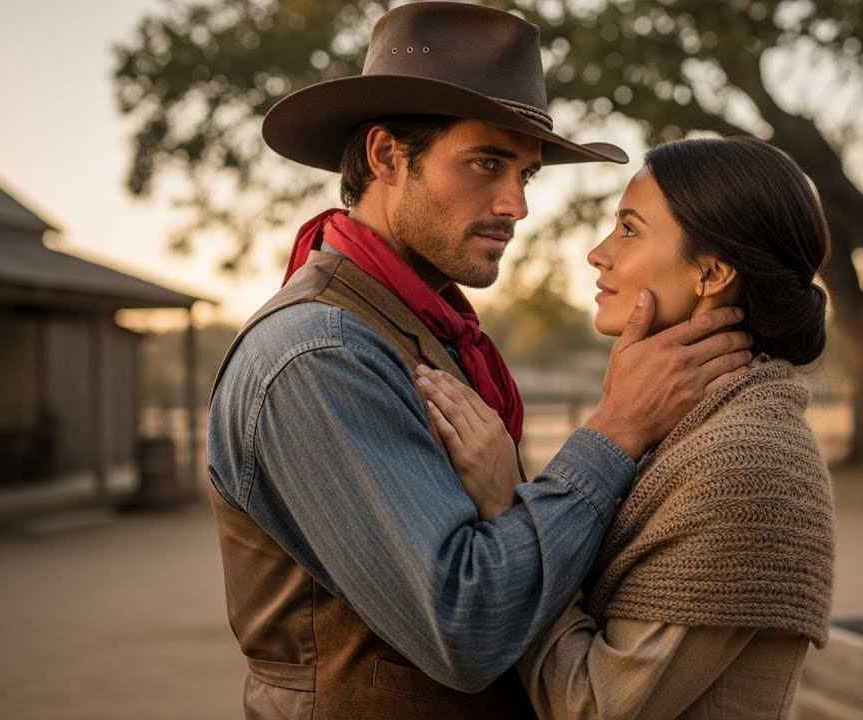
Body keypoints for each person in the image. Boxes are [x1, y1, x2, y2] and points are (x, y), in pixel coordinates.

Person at [205, 3, 754, 719]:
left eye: (526, 174)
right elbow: (466, 627)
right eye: (486, 163)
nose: (516, 204)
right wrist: (615, 430)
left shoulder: (426, 328)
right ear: (385, 157)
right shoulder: (318, 356)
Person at [419, 134, 836, 720]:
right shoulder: (686, 430)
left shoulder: (747, 460)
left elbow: (592, 705)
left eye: (630, 230)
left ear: (711, 272)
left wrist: (508, 508)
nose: (598, 253)